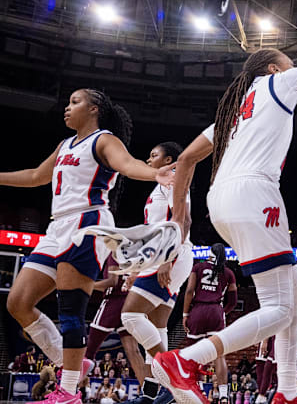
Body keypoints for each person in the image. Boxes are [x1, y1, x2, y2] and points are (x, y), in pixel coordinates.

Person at [150, 15, 297, 404]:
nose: (294, 67)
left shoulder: (233, 113)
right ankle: (187, 359)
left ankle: (287, 392)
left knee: (294, 284)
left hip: (220, 200)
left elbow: (185, 161)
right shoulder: (281, 81)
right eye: (288, 61)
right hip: (255, 193)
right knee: (281, 306)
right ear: (272, 68)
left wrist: (180, 215)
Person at [1, 88, 174, 404]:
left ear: (94, 108)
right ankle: (68, 362)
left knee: (71, 311)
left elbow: (127, 164)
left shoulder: (104, 140)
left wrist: (154, 173)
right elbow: (36, 175)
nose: (67, 108)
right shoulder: (65, 145)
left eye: (74, 102)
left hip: (88, 223)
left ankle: (69, 392)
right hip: (57, 227)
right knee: (17, 302)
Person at [120, 141, 192, 404]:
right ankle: (153, 394)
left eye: (154, 156)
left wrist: (167, 259)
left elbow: (183, 221)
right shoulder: (161, 185)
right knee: (157, 326)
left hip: (170, 255)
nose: (148, 160)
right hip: (160, 255)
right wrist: (136, 269)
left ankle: (175, 379)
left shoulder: (173, 182)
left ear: (168, 159)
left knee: (130, 315)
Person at [183, 243, 238, 403]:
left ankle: (198, 388)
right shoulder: (228, 272)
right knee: (219, 355)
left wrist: (186, 314)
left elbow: (189, 291)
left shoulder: (198, 267)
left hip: (198, 311)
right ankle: (223, 394)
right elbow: (233, 301)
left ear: (210, 253)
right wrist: (222, 312)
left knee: (195, 354)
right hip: (216, 312)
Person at [85, 256, 145, 383]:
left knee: (88, 352)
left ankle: (70, 392)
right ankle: (150, 394)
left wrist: (87, 286)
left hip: (114, 301)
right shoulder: (133, 253)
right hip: (130, 301)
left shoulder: (114, 254)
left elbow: (112, 282)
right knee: (134, 352)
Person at [254, 337, 276, 404]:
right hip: (266, 334)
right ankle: (262, 396)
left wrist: (265, 340)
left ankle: (262, 395)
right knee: (261, 368)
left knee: (270, 365)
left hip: (274, 336)